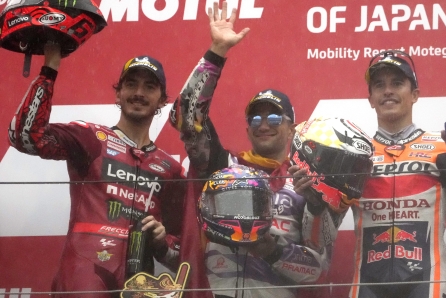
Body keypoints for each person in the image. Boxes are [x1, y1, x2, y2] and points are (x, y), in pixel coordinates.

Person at [291, 50, 446, 298]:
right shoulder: (352, 158)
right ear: (370, 98)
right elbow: (317, 240)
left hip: (430, 288)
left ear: (415, 95)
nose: (388, 91)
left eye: (397, 83)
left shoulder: (445, 149)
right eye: (379, 85)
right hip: (366, 289)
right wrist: (315, 203)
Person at [170, 2, 339, 298]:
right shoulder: (223, 168)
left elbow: (319, 270)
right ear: (247, 129)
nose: (264, 124)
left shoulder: (306, 183)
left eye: (274, 117)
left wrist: (268, 248)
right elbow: (186, 117)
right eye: (255, 118)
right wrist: (217, 52)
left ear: (291, 128)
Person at [8, 43, 186, 296]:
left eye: (149, 86)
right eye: (131, 84)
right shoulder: (90, 138)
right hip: (83, 275)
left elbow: (183, 251)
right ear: (118, 94)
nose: (139, 92)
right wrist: (50, 68)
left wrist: (162, 242)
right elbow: (25, 137)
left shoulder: (171, 169)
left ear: (161, 100)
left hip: (140, 283)